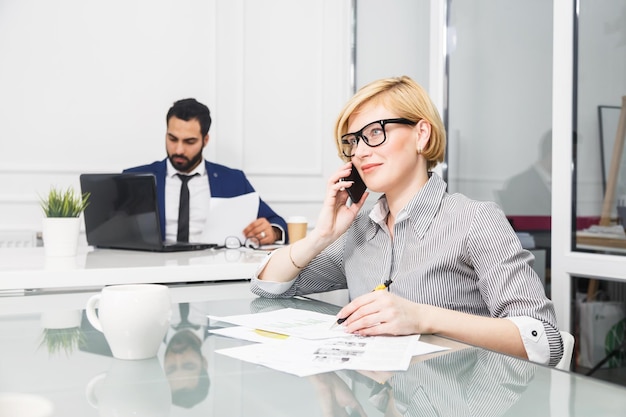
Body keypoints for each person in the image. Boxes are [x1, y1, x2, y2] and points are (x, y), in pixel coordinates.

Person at [251, 75, 564, 366]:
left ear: (421, 135)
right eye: (354, 141)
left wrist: (422, 317)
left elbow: (544, 341)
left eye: (375, 132)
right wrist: (321, 235)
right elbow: (270, 286)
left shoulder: (475, 220)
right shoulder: (359, 231)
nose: (359, 152)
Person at [124, 98, 287, 245]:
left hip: (213, 272)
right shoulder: (135, 179)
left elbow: (276, 222)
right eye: (172, 139)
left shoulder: (232, 179)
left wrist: (272, 232)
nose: (179, 149)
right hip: (153, 273)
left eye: (189, 141)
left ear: (205, 140)